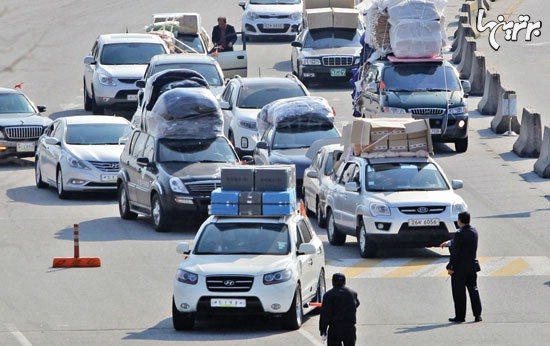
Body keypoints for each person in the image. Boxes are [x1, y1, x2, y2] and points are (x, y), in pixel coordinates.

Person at [440, 211, 483, 323]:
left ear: (459, 221)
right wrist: (449, 242)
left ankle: (460, 316)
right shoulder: (474, 231)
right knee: (473, 290)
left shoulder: (459, 233)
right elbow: (460, 243)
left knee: (459, 293)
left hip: (460, 269)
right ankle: (477, 315)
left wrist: (450, 267)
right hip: (472, 267)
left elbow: (456, 252)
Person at [319, 273, 360, 346]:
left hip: (335, 328)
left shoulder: (328, 295)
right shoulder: (352, 293)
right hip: (350, 328)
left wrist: (323, 330)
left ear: (333, 282)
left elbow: (325, 314)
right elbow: (357, 304)